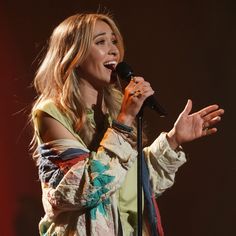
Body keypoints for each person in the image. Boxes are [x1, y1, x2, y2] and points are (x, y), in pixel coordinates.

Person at [30, 13, 224, 236]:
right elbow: (84, 189)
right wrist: (123, 123)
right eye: (101, 41)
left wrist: (173, 140)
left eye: (114, 41)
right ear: (74, 55)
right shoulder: (51, 113)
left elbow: (130, 187)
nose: (114, 49)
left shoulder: (114, 112)